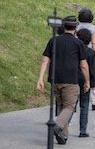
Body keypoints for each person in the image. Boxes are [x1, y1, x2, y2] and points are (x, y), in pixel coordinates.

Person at [37, 16, 90, 145]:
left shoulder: (53, 40)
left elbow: (45, 60)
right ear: (76, 28)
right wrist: (87, 81)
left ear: (64, 26)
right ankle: (57, 126)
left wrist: (40, 78)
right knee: (69, 106)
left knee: (61, 106)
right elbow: (83, 65)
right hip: (71, 79)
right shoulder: (78, 43)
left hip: (55, 79)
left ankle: (63, 136)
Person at [76, 8, 95, 110]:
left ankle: (74, 100)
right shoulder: (94, 28)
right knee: (93, 75)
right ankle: (94, 101)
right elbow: (94, 43)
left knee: (77, 75)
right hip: (90, 53)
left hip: (77, 52)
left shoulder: (76, 27)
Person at [76, 28, 95, 138]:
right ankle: (82, 130)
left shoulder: (74, 50)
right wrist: (93, 85)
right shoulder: (90, 52)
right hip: (85, 81)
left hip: (73, 79)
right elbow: (93, 70)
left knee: (71, 106)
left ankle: (64, 125)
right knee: (84, 105)